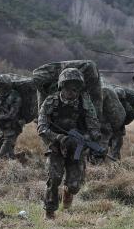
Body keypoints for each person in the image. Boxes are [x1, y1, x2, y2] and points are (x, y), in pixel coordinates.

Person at [37, 68, 101, 219]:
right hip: (56, 146)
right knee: (54, 178)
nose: (72, 91)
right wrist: (59, 138)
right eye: (69, 86)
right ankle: (50, 211)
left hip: (77, 148)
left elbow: (94, 126)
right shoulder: (51, 102)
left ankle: (68, 192)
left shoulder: (85, 104)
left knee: (74, 186)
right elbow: (42, 127)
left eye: (76, 87)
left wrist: (90, 139)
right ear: (62, 86)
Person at [0, 74, 23, 160]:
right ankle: (19, 158)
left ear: (7, 86)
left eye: (1, 85)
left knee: (3, 157)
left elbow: (12, 115)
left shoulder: (15, 96)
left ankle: (15, 162)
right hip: (0, 131)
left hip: (11, 130)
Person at [107, 87, 134, 160]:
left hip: (117, 130)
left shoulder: (125, 105)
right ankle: (110, 163)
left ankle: (114, 165)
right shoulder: (110, 103)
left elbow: (132, 113)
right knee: (109, 148)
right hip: (110, 129)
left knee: (115, 150)